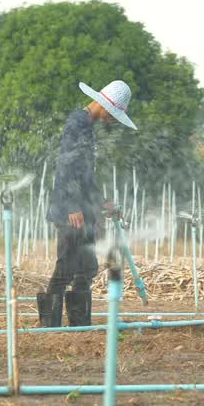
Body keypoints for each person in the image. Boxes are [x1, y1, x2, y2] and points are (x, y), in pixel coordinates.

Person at [38, 80, 137, 327]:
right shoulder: (77, 123)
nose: (113, 120)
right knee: (66, 267)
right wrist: (73, 206)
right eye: (113, 114)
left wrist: (102, 202)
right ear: (103, 106)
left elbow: (85, 176)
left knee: (87, 266)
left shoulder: (87, 127)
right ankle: (49, 325)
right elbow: (65, 164)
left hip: (84, 209)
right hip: (69, 210)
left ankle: (80, 323)